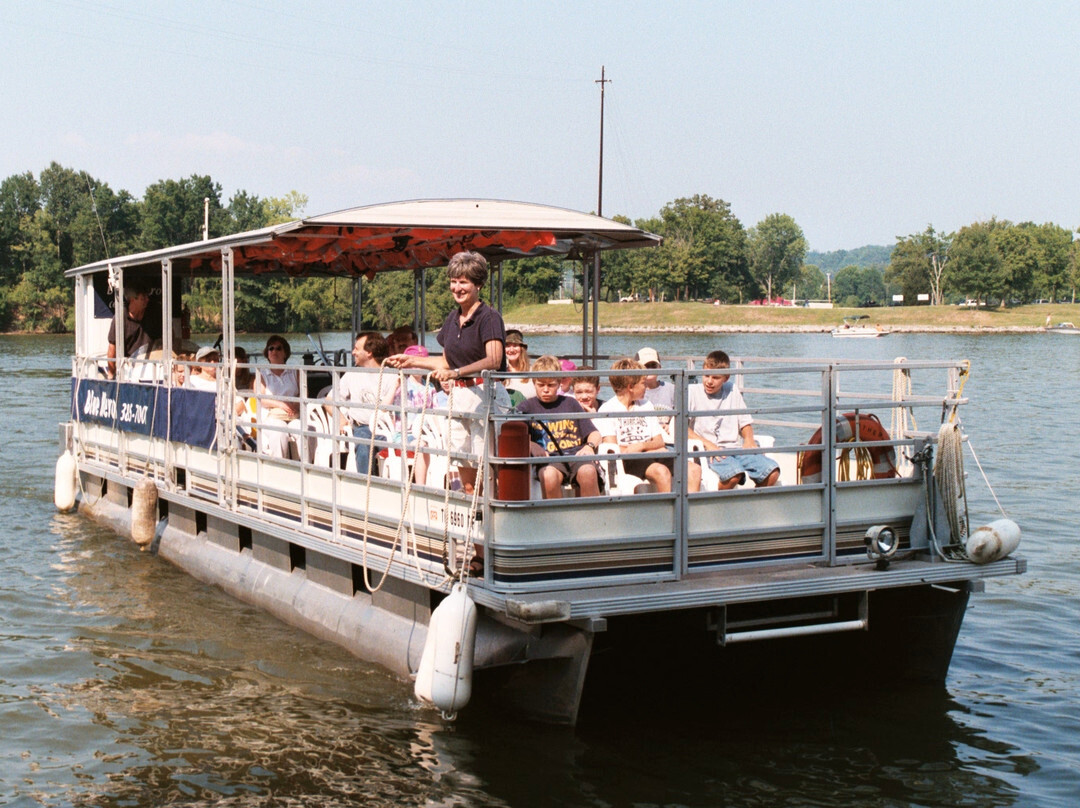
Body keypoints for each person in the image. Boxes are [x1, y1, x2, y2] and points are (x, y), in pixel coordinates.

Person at [387, 250, 510, 494]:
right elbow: (446, 360)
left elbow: (494, 359)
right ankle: (469, 505)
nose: (457, 288)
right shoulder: (453, 318)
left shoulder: (490, 318)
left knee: (485, 460)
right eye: (453, 282)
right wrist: (411, 360)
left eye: (463, 282)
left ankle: (490, 513)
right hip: (460, 397)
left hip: (485, 396)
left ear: (478, 285)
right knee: (461, 458)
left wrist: (456, 373)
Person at [598, 358, 701, 493]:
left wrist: (641, 446)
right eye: (643, 384)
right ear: (630, 387)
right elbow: (614, 449)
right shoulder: (608, 410)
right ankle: (667, 513)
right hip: (629, 461)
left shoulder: (646, 405)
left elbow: (659, 441)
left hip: (648, 453)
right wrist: (646, 449)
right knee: (661, 472)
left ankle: (689, 512)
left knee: (694, 469)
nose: (646, 387)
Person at [687, 349, 780, 490]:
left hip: (735, 449)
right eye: (706, 375)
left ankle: (749, 505)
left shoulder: (732, 390)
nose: (709, 382)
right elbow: (681, 427)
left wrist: (749, 440)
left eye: (715, 378)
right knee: (733, 475)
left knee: (772, 472)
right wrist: (708, 445)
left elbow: (745, 422)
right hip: (709, 452)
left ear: (726, 377)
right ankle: (719, 508)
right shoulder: (693, 392)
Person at [515, 355, 602, 499]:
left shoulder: (571, 403)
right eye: (541, 385)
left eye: (551, 385)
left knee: (588, 472)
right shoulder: (526, 407)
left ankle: (591, 518)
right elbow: (514, 436)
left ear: (560, 383)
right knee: (549, 476)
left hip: (576, 455)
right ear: (533, 382)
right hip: (549, 459)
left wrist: (589, 446)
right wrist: (530, 445)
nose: (546, 390)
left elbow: (595, 434)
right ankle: (555, 519)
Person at [334, 331, 396, 475]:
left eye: (356, 348)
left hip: (386, 428)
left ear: (369, 352)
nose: (353, 352)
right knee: (364, 444)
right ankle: (366, 485)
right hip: (362, 427)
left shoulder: (391, 376)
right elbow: (329, 401)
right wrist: (341, 419)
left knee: (397, 445)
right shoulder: (352, 374)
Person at [254, 335, 301, 458]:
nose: (274, 351)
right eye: (271, 348)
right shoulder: (261, 374)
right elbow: (261, 399)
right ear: (267, 353)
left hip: (294, 415)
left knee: (307, 430)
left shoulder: (295, 372)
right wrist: (281, 404)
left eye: (279, 348)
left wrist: (295, 405)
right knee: (279, 431)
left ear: (285, 353)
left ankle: (306, 466)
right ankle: (280, 466)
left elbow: (303, 394)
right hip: (271, 416)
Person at [106, 281, 153, 380]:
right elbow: (112, 348)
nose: (147, 300)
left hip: (151, 365)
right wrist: (111, 373)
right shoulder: (120, 317)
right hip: (129, 368)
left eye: (147, 297)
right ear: (132, 300)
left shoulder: (153, 313)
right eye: (143, 298)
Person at [503, 329, 534, 401]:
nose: (511, 350)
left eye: (515, 345)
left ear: (521, 348)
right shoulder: (498, 373)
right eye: (507, 346)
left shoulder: (533, 371)